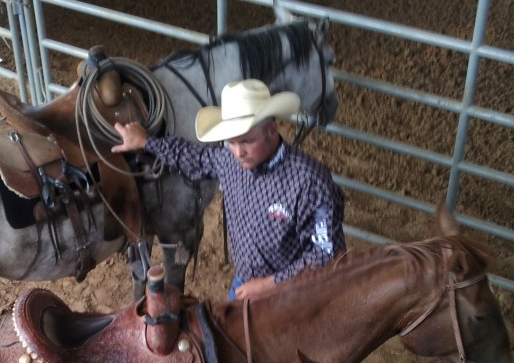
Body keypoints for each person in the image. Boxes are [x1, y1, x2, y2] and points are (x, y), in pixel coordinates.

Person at [113, 78, 346, 302]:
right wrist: (146, 142)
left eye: (246, 141)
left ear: (271, 131)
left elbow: (326, 256)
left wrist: (270, 285)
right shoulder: (230, 161)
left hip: (295, 295)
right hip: (245, 283)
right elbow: (196, 157)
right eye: (231, 142)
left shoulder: (309, 182)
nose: (238, 152)